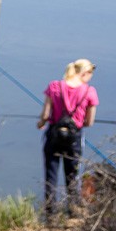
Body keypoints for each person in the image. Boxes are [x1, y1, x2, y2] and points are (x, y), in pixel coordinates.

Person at [37, 58, 98, 216]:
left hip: (53, 136)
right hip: (74, 139)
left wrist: (41, 123)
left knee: (51, 175)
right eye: (90, 73)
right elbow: (89, 122)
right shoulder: (89, 91)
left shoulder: (54, 87)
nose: (91, 77)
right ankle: (72, 211)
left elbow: (45, 114)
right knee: (72, 175)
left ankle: (50, 214)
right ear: (84, 73)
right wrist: (76, 122)